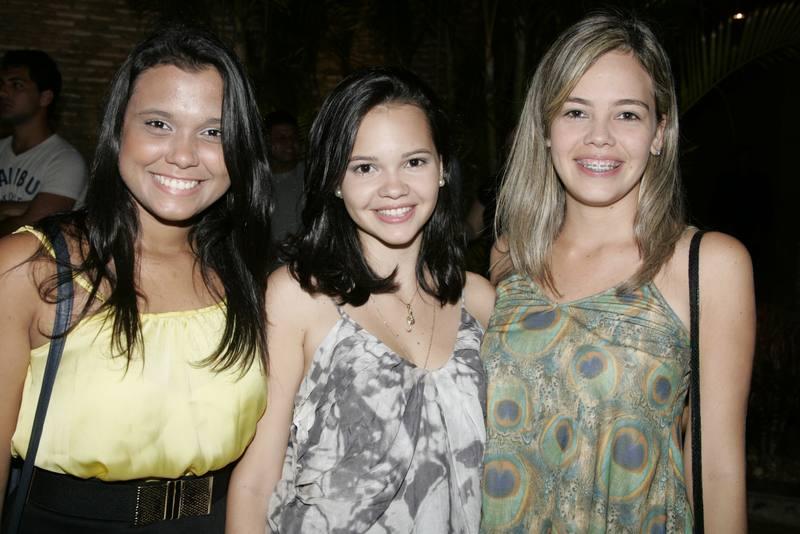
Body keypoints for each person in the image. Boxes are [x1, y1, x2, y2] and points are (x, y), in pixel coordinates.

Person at [481, 11, 754, 533]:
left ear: (659, 132)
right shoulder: (510, 256)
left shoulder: (707, 265)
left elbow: (718, 469)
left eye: (627, 114)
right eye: (576, 112)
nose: (599, 137)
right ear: (545, 129)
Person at [0, 25, 272, 533]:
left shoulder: (245, 277)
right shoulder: (28, 267)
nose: (184, 155)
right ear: (117, 128)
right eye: (158, 124)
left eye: (213, 132)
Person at [227, 67, 495, 534]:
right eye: (365, 167)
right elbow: (256, 481)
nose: (393, 187)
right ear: (335, 180)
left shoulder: (479, 300)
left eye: (414, 162)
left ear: (442, 168)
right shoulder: (298, 297)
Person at [0, 49, 88, 236]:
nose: (3, 92)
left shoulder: (66, 160)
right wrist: (26, 206)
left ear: (45, 97)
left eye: (17, 85)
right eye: (2, 84)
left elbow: (36, 229)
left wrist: (12, 211)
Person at [264, 110, 304, 249]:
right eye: (281, 138)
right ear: (267, 142)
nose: (290, 143)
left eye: (294, 137)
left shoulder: (313, 176)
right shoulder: (256, 183)